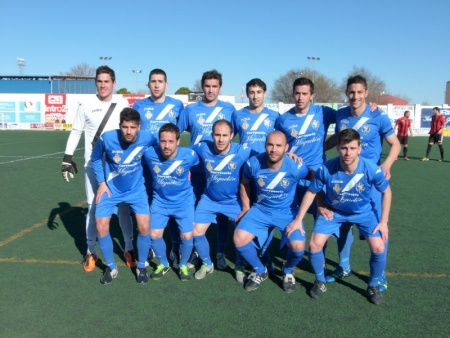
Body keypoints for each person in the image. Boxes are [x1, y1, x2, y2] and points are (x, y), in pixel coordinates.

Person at [287, 128, 391, 304]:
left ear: (359, 148)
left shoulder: (371, 169)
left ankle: (373, 285)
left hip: (363, 213)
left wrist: (384, 222)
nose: (347, 152)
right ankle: (320, 281)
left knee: (379, 247)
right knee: (314, 245)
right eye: (344, 148)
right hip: (334, 212)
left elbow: (387, 192)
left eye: (352, 148)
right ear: (338, 148)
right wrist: (298, 220)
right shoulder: (326, 169)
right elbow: (312, 192)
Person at [61, 65, 136, 272]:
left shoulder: (122, 103)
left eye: (107, 81)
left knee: (123, 207)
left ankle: (129, 248)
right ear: (96, 82)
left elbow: (130, 131)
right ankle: (90, 251)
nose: (103, 85)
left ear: (114, 83)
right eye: (99, 81)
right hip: (92, 165)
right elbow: (76, 131)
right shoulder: (85, 103)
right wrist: (67, 157)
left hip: (117, 166)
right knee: (93, 207)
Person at [328, 75, 400, 291]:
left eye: (359, 92)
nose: (355, 96)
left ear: (366, 93)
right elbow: (336, 139)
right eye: (351, 92)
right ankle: (344, 265)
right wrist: (316, 151)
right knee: (343, 225)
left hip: (371, 182)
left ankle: (379, 275)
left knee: (379, 228)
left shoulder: (378, 115)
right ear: (346, 93)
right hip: (344, 178)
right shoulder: (340, 114)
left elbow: (394, 144)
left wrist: (386, 165)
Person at [233, 131, 309, 292]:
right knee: (239, 238)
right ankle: (260, 270)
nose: (274, 149)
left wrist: (322, 205)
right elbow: (244, 183)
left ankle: (287, 271)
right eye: (270, 145)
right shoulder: (253, 163)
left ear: (286, 148)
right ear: (265, 145)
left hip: (287, 212)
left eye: (279, 146)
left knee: (298, 247)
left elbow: (317, 181)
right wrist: (246, 207)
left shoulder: (296, 166)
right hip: (261, 210)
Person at [177, 69, 236, 270]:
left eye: (214, 86)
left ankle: (219, 252)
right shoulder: (190, 110)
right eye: (207, 86)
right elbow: (175, 136)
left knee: (221, 215)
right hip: (197, 172)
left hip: (221, 172)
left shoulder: (229, 109)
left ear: (220, 87)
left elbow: (237, 136)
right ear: (202, 87)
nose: (210, 90)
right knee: (194, 212)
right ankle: (195, 252)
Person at [91, 108, 156, 284]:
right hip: (110, 190)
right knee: (101, 226)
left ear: (139, 127)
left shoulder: (149, 138)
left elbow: (162, 152)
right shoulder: (107, 138)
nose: (128, 131)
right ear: (119, 126)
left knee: (144, 227)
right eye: (125, 127)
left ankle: (141, 265)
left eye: (133, 127)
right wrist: (101, 182)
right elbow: (95, 158)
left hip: (136, 191)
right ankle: (111, 268)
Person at [191, 120, 255, 282]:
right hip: (209, 199)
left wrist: (287, 155)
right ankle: (207, 263)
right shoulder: (203, 148)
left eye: (225, 135)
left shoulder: (242, 151)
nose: (220, 139)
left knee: (242, 234)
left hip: (233, 201)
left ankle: (239, 266)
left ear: (232, 136)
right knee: (196, 231)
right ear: (212, 135)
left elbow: (267, 156)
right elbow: (179, 153)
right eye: (217, 135)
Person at [132, 68, 185, 264]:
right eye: (153, 81)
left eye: (160, 81)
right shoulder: (139, 106)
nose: (156, 85)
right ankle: (150, 246)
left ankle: (176, 246)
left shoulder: (177, 106)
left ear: (166, 84)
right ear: (148, 84)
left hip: (168, 167)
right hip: (146, 166)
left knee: (170, 206)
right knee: (144, 207)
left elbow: (183, 131)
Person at [231, 78, 280, 276]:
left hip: (268, 173)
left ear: (265, 93)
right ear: (247, 93)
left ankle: (265, 254)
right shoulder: (238, 115)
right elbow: (227, 137)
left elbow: (283, 142)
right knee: (244, 213)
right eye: (252, 92)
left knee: (266, 215)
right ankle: (240, 258)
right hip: (245, 173)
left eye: (259, 92)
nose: (255, 96)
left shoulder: (275, 116)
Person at [142, 123, 199, 281]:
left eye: (171, 141)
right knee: (154, 234)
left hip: (184, 202)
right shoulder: (149, 154)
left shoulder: (190, 155)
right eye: (163, 141)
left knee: (187, 236)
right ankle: (164, 263)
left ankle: (182, 264)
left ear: (178, 141)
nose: (166, 146)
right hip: (160, 201)